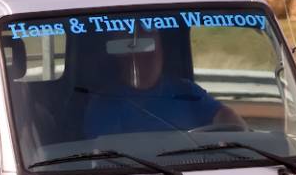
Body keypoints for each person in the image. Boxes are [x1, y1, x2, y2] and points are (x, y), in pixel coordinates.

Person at [79, 35, 241, 139]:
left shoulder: (185, 90)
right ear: (124, 57)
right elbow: (109, 156)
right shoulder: (104, 103)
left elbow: (225, 117)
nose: (147, 57)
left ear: (162, 51)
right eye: (140, 49)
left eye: (151, 46)